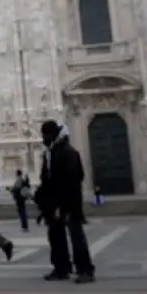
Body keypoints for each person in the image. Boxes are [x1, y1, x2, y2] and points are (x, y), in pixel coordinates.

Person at [35, 120, 94, 284]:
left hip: (69, 202)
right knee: (55, 235)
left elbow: (73, 179)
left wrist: (63, 205)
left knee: (76, 235)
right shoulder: (51, 153)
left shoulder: (68, 153)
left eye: (45, 135)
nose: (43, 138)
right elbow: (47, 180)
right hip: (53, 203)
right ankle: (61, 268)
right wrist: (42, 200)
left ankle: (85, 270)